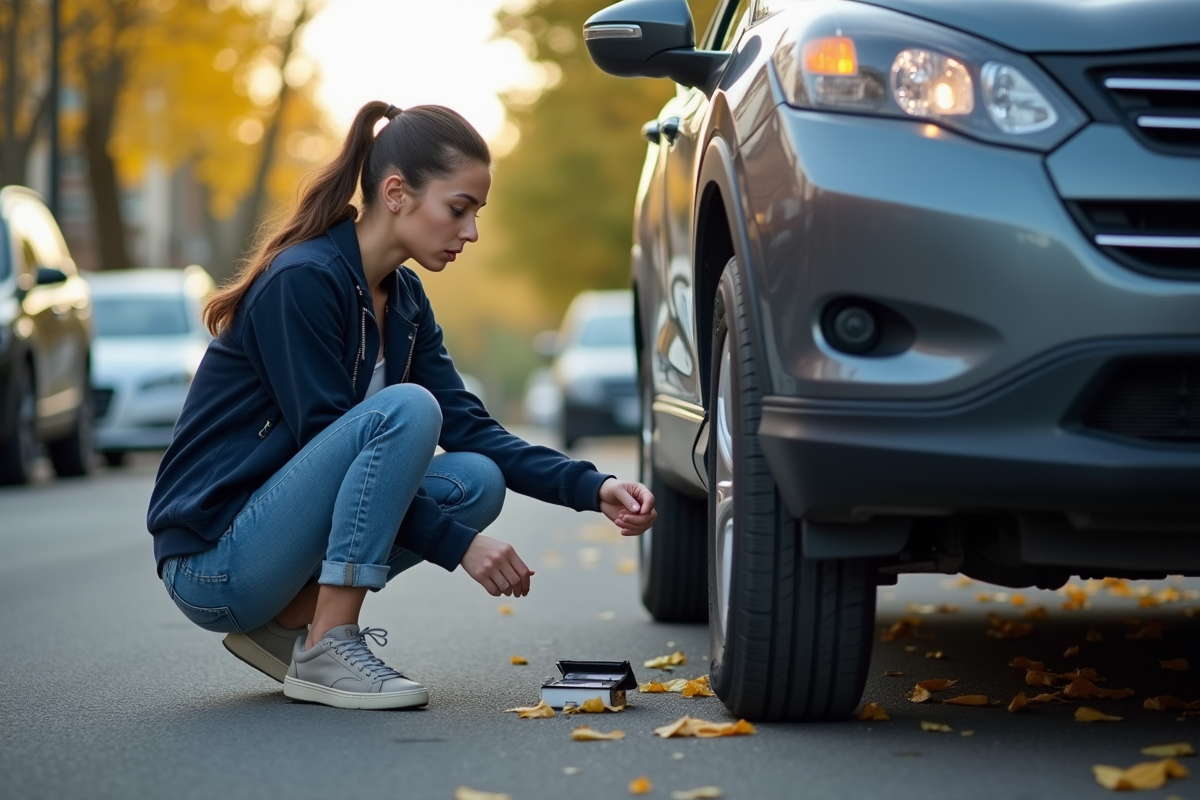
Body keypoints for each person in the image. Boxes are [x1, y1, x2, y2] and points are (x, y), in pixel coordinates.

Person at [147, 101, 656, 710]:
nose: (470, 233)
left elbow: (473, 429)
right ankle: (328, 642)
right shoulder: (303, 280)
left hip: (274, 552)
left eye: (476, 214)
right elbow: (325, 439)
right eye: (459, 209)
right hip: (214, 561)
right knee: (407, 408)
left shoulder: (405, 300)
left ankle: (290, 626)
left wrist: (591, 486)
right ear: (396, 193)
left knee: (475, 480)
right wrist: (458, 545)